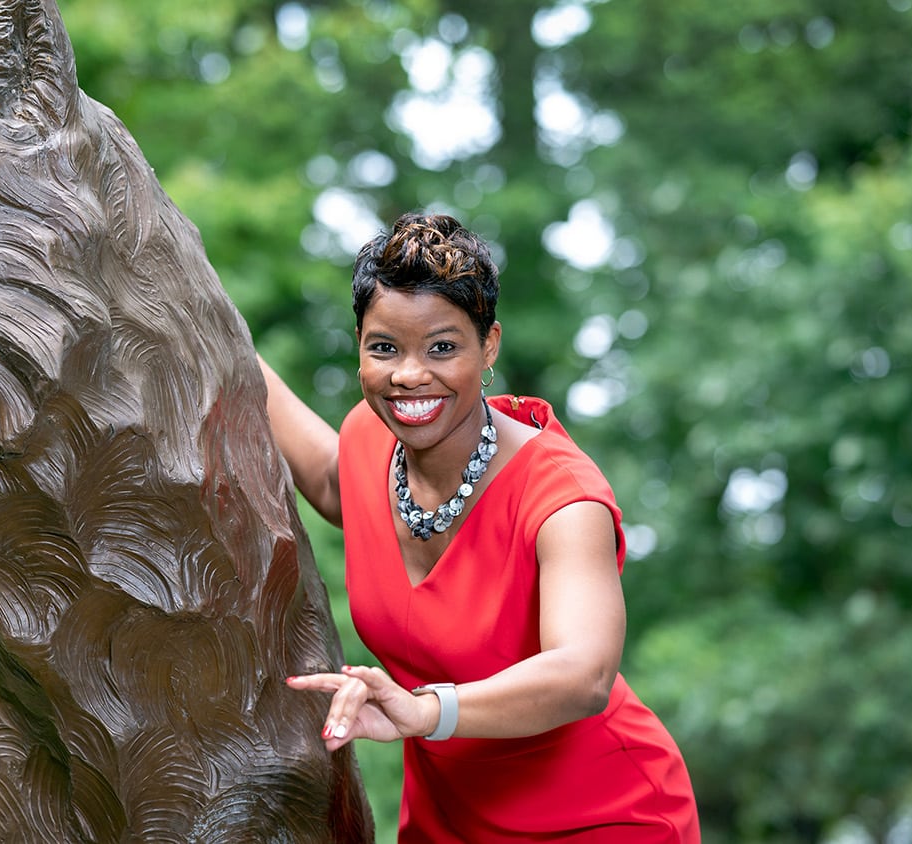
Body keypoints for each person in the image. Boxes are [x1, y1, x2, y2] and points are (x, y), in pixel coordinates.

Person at [260, 212, 699, 842]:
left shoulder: (563, 499)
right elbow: (334, 482)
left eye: (442, 347)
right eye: (384, 347)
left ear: (488, 345)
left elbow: (584, 674)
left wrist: (425, 710)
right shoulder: (367, 435)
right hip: (449, 819)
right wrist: (211, 329)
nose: (410, 374)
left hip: (600, 815)